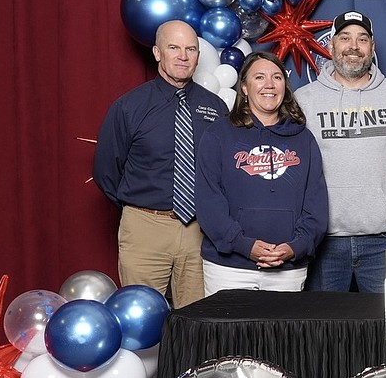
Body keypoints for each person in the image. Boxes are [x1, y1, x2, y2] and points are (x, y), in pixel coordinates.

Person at [94, 20, 227, 307]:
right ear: (157, 53)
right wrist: (141, 209)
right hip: (144, 227)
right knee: (142, 318)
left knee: (198, 320)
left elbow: (223, 171)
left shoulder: (215, 108)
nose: (183, 55)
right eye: (174, 47)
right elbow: (106, 172)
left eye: (191, 49)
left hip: (199, 231)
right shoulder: (128, 107)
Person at [297, 9, 386, 292]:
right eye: (345, 38)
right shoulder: (304, 101)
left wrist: (381, 199)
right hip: (323, 240)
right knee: (325, 331)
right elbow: (295, 167)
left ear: (372, 48)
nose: (353, 46)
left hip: (384, 240)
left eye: (362, 39)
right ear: (331, 45)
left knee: (385, 329)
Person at [194, 52, 328, 295]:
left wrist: (295, 247)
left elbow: (316, 205)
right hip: (229, 268)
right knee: (228, 334)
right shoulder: (218, 135)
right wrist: (244, 245)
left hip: (288, 268)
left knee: (282, 335)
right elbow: (208, 203)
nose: (269, 84)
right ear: (244, 87)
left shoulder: (303, 139)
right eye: (259, 77)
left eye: (277, 77)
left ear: (284, 87)